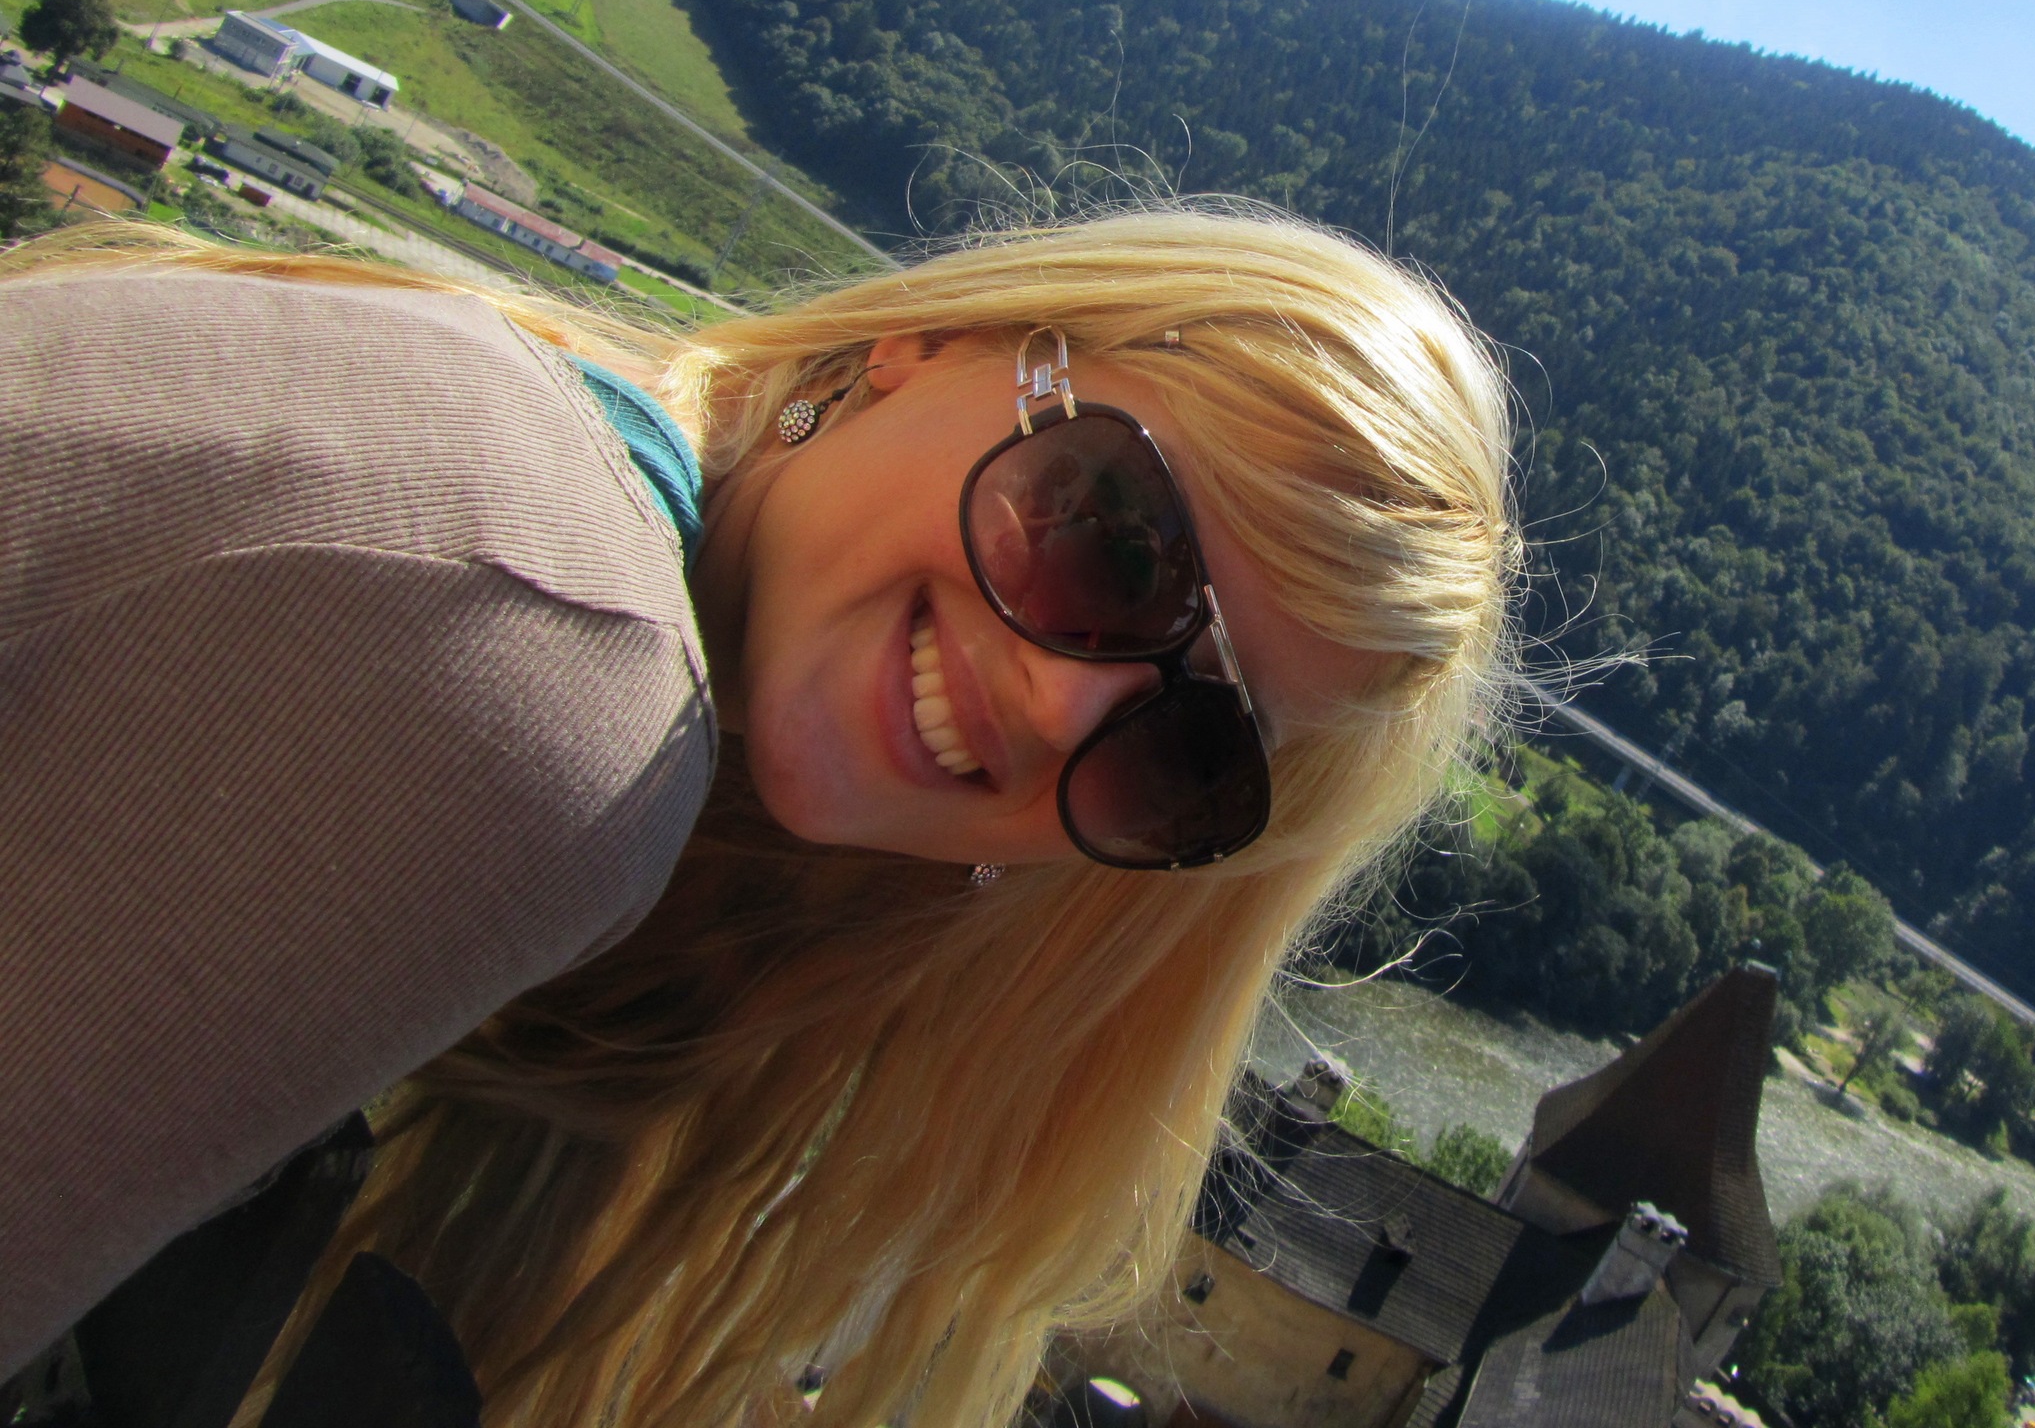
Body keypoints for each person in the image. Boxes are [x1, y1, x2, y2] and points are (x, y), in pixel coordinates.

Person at [0, 201, 1520, 1427]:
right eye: (1114, 541)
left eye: (1185, 755)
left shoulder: (537, 450)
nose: (1066, 708)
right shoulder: (565, 667)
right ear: (922, 349)